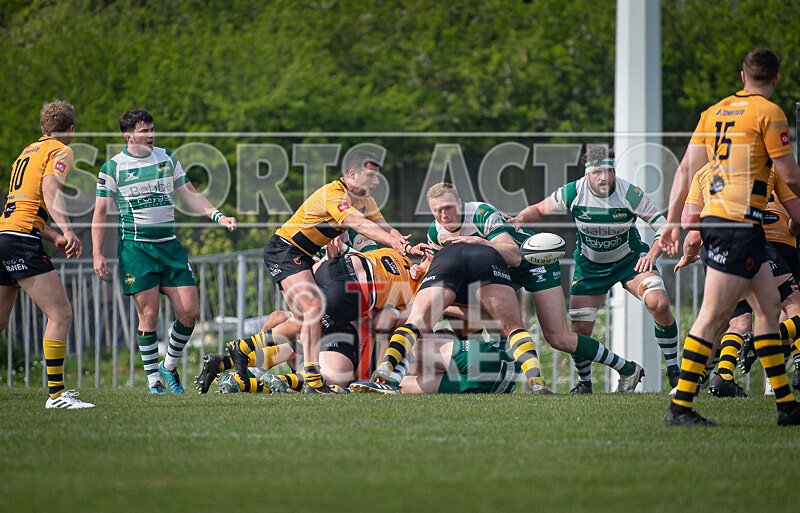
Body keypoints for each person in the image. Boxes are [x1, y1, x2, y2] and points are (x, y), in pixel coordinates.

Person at [661, 48, 800, 426]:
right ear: (775, 79)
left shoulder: (713, 112)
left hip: (738, 225)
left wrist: (673, 222)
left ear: (742, 76)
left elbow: (685, 170)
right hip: (734, 224)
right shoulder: (769, 113)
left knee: (768, 308)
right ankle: (681, 407)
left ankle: (786, 405)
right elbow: (790, 176)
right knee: (713, 317)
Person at [423, 182, 643, 393]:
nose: (444, 215)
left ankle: (627, 368)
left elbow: (514, 256)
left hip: (533, 263)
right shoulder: (436, 233)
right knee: (467, 308)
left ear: (460, 203)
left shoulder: (480, 213)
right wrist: (421, 267)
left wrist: (483, 243)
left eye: (448, 207)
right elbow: (436, 265)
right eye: (437, 211)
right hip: (499, 273)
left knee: (557, 337)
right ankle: (505, 379)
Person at [92, 109, 237, 394]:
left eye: (152, 129)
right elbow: (99, 213)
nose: (151, 135)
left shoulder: (167, 158)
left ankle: (168, 366)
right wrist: (97, 253)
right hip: (136, 249)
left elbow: (190, 193)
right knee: (149, 314)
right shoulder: (113, 167)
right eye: (144, 131)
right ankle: (154, 382)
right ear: (129, 136)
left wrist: (218, 215)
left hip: (169, 246)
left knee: (190, 311)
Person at [509, 149, 676, 391]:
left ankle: (675, 373)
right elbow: (539, 209)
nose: (603, 177)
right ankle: (584, 384)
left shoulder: (628, 192)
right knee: (579, 331)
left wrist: (652, 254)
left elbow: (663, 225)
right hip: (590, 268)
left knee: (658, 303)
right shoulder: (574, 191)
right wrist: (519, 219)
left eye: (608, 171)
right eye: (597, 172)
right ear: (587, 174)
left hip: (629, 261)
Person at [262, 150, 409, 393]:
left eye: (377, 176)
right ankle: (260, 367)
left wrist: (404, 244)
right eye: (371, 175)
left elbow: (384, 228)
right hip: (286, 250)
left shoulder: (365, 202)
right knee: (310, 313)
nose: (376, 181)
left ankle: (247, 360)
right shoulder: (335, 194)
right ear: (353, 174)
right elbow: (359, 224)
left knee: (305, 319)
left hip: (303, 257)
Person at [196, 246, 427, 393]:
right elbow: (381, 321)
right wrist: (397, 314)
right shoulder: (418, 294)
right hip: (349, 310)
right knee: (329, 368)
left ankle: (231, 367)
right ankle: (243, 352)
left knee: (292, 330)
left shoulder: (395, 254)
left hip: (331, 271)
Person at [359, 242, 551, 394]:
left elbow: (387, 321)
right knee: (514, 328)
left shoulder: (421, 285)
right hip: (503, 375)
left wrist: (443, 308)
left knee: (416, 337)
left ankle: (388, 367)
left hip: (484, 363)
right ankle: (535, 378)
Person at [0, 100, 94, 409]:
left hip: (5, 234)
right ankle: (56, 395)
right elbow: (50, 189)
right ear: (70, 130)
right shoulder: (61, 149)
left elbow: (22, 206)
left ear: (43, 127)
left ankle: (57, 394)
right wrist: (67, 230)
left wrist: (53, 236)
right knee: (61, 313)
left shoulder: (26, 152)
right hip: (21, 239)